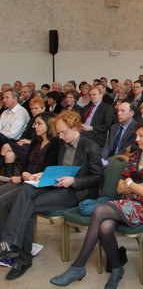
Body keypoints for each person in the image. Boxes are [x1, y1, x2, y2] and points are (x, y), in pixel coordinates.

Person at [50, 120, 143, 288]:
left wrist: (130, 184)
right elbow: (119, 188)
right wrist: (136, 186)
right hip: (127, 202)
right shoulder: (135, 156)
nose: (136, 139)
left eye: (141, 136)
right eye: (136, 135)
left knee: (99, 211)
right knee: (105, 227)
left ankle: (78, 266)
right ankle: (117, 269)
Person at [0, 110, 104, 280]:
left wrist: (74, 181)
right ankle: (11, 243)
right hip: (58, 184)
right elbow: (58, 167)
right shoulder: (63, 143)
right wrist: (43, 174)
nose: (60, 137)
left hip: (77, 191)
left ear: (75, 127)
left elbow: (99, 177)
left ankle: (20, 256)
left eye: (64, 132)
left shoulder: (90, 146)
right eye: (59, 132)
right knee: (26, 189)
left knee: (28, 206)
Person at [0, 112, 60, 234]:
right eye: (35, 123)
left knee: (2, 202)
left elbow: (48, 171)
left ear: (49, 125)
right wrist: (23, 174)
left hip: (38, 184)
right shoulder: (36, 142)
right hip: (26, 179)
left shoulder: (56, 144)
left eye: (39, 123)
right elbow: (25, 163)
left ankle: (4, 240)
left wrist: (25, 177)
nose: (34, 126)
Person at [0, 97, 45, 176]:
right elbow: (24, 134)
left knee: (6, 146)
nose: (33, 111)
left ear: (43, 108)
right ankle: (7, 179)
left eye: (36, 108)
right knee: (9, 154)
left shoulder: (46, 120)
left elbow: (44, 138)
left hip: (35, 146)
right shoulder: (31, 120)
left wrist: (30, 141)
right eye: (31, 109)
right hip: (25, 144)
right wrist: (22, 140)